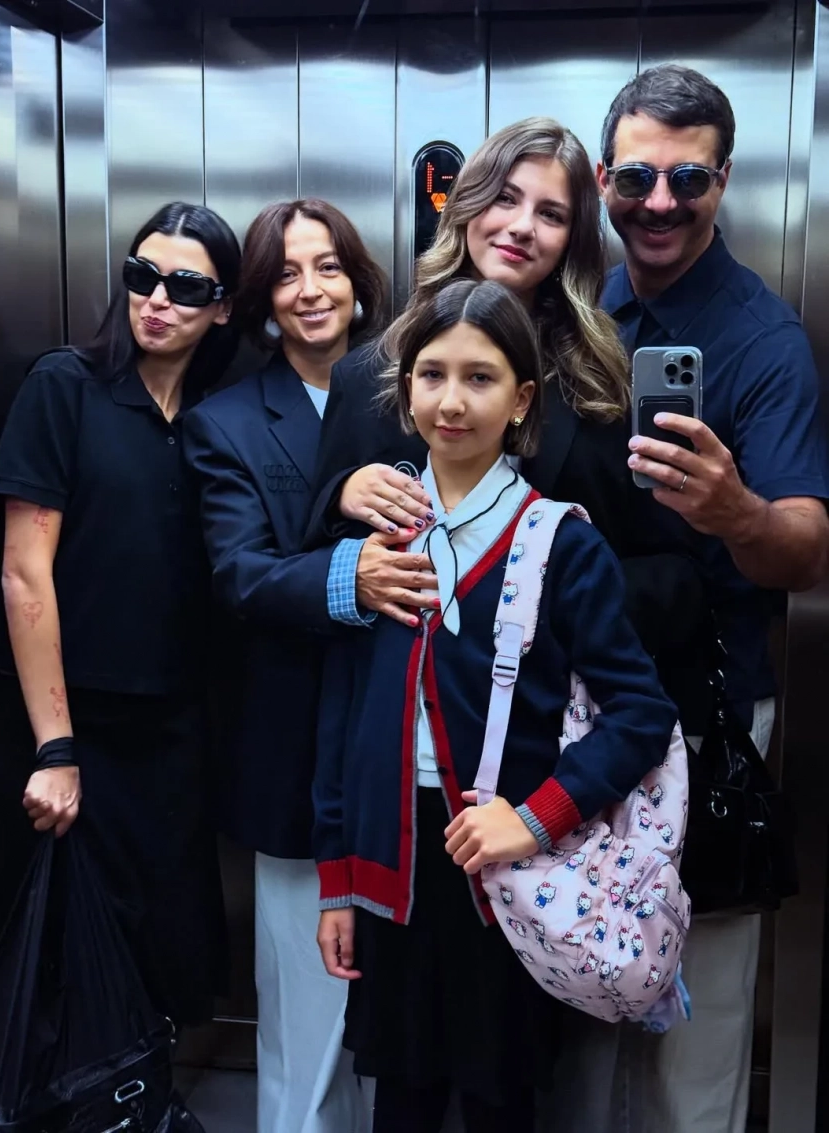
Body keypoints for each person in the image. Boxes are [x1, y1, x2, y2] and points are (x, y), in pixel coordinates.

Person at [313, 278, 678, 1133]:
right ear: (406, 392)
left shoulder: (560, 541)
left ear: (520, 401)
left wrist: (536, 817)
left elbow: (640, 712)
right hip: (393, 866)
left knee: (499, 1102)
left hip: (511, 875)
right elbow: (342, 712)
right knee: (400, 1101)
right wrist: (340, 880)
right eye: (432, 374)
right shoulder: (376, 544)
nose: (452, 401)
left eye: (479, 378)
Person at [594, 65, 829, 1133]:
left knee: (698, 1016)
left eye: (687, 179)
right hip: (581, 709)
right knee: (584, 991)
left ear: (722, 182)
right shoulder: (580, 308)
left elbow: (805, 549)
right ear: (604, 176)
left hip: (707, 717)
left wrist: (736, 510)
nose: (659, 201)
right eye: (636, 175)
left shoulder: (762, 339)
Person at [305, 116, 705, 698]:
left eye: (552, 214)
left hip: (556, 711)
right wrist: (344, 502)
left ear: (571, 240)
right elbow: (314, 559)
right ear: (467, 205)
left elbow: (677, 577)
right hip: (405, 706)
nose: (521, 227)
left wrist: (552, 597)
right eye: (505, 198)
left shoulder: (605, 385)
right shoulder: (369, 374)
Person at [0, 202, 241, 1026]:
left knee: (161, 954)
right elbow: (24, 571)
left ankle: (139, 1091)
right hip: (72, 723)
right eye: (142, 276)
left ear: (223, 308)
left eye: (185, 286)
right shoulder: (66, 385)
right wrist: (55, 749)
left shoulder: (212, 418)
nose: (156, 300)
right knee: (63, 962)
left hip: (172, 730)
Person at [183, 199, 385, 1133]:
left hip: (414, 757)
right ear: (261, 297)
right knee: (309, 1029)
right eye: (288, 273)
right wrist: (354, 572)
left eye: (329, 266)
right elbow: (242, 574)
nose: (312, 289)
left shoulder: (415, 390)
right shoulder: (226, 422)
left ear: (358, 279)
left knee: (402, 1036)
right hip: (296, 759)